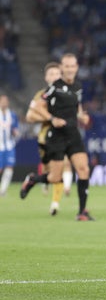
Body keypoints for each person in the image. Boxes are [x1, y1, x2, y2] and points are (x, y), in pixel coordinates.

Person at [20, 53, 94, 221]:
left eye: (72, 66)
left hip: (73, 133)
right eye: (66, 66)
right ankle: (33, 179)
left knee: (83, 169)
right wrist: (52, 118)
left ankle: (82, 212)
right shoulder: (54, 87)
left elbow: (77, 107)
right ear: (62, 68)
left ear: (76, 67)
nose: (69, 69)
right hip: (56, 136)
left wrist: (82, 116)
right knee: (55, 177)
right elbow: (36, 108)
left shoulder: (78, 86)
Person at [25, 62, 69, 215]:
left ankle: (55, 204)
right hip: (45, 138)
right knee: (50, 171)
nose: (54, 77)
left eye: (57, 74)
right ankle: (35, 179)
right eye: (51, 74)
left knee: (61, 168)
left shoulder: (66, 93)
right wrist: (50, 119)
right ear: (46, 78)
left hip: (63, 137)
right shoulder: (41, 95)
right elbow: (29, 116)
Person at [0, 94, 19, 196]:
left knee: (9, 167)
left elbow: (15, 128)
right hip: (0, 146)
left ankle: (3, 190)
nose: (4, 103)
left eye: (6, 101)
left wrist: (15, 132)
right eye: (2, 101)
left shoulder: (12, 115)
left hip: (9, 145)